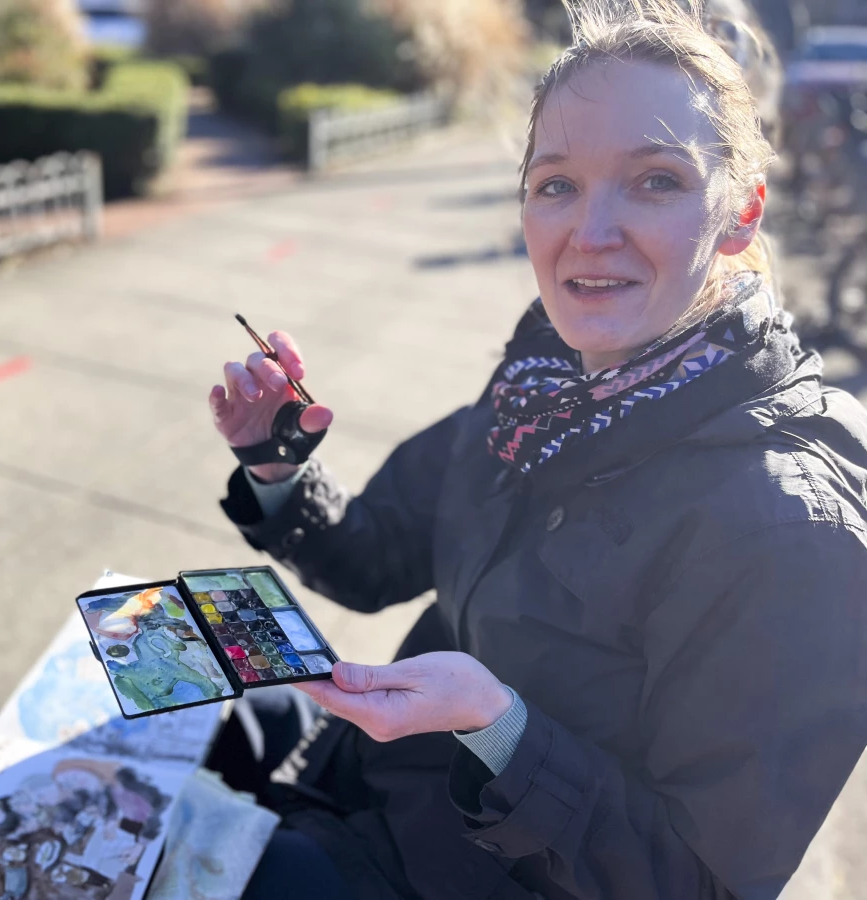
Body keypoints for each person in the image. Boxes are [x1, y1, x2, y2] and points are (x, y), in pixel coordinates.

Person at [205, 1, 867, 898]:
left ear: (740, 213)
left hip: (464, 876)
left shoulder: (793, 532)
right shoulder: (540, 388)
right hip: (374, 777)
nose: (589, 233)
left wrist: (501, 729)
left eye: (656, 180)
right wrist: (277, 469)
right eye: (557, 184)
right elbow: (375, 558)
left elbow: (701, 884)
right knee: (134, 732)